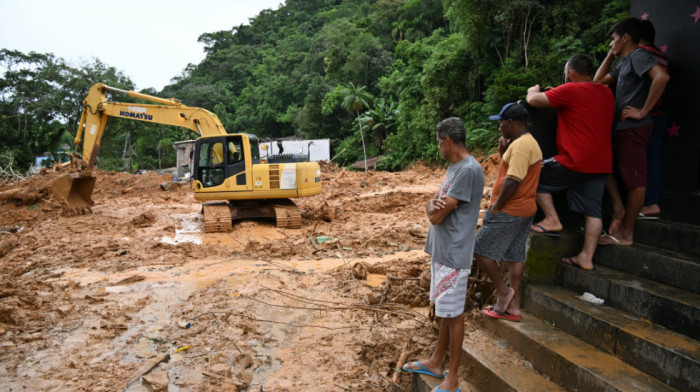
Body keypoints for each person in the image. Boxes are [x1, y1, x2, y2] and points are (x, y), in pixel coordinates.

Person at [402, 117, 484, 392]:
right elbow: (433, 206)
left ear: (448, 141)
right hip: (443, 251)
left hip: (454, 254)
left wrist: (431, 209)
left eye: (439, 143)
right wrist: (429, 206)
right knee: (445, 311)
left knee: (455, 315)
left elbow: (436, 216)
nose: (438, 148)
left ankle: (453, 377)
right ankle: (437, 362)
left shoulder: (468, 171)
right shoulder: (454, 168)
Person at [526, 54, 615, 270]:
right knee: (593, 211)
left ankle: (552, 219)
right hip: (601, 162)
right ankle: (586, 257)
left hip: (575, 159)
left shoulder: (571, 90)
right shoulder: (605, 92)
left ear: (571, 73)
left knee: (533, 174)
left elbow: (533, 101)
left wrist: (533, 90)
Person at [594, 17, 670, 245]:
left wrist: (642, 110)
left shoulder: (639, 56)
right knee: (610, 169)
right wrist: (611, 55)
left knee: (636, 181)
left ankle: (626, 234)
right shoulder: (627, 61)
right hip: (623, 129)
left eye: (614, 40)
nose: (610, 44)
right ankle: (620, 213)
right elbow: (597, 82)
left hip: (634, 128)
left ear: (626, 38)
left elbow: (662, 77)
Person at [475, 102, 542, 320]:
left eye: (501, 122)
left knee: (481, 249)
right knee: (515, 257)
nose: (499, 127)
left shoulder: (522, 146)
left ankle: (504, 294)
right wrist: (504, 153)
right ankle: (514, 307)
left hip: (511, 209)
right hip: (525, 209)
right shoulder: (525, 143)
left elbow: (513, 180)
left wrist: (496, 207)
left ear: (511, 123)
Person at [638, 19, 669, 219]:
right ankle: (651, 203)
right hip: (660, 116)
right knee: (652, 160)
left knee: (639, 163)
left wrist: (642, 111)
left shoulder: (642, 55)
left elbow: (601, 79)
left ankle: (644, 204)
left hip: (646, 118)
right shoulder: (662, 55)